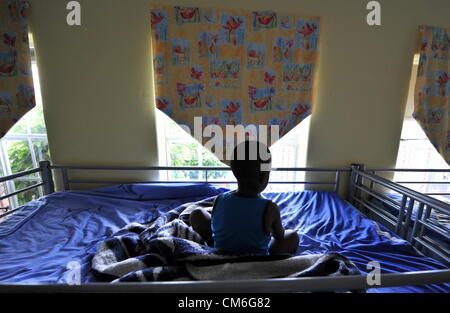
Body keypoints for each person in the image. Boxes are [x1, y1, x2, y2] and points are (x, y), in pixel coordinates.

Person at [189, 140, 299, 255]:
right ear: (264, 177)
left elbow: (217, 223)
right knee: (292, 236)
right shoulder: (270, 207)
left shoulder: (219, 199)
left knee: (197, 214)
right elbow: (280, 236)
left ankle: (214, 245)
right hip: (255, 258)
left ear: (234, 172)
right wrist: (274, 227)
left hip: (222, 251)